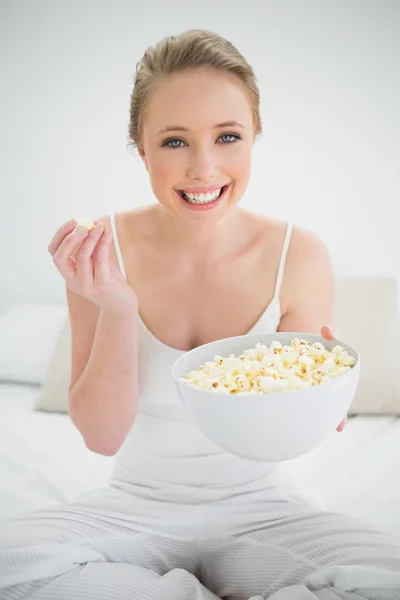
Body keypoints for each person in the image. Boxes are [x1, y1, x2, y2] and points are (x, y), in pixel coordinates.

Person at [1, 29, 399, 600]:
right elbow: (101, 437)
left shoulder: (299, 254)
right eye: (175, 142)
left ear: (254, 137)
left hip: (263, 513)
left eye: (228, 136)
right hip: (133, 509)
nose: (204, 168)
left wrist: (319, 401)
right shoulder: (99, 247)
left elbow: (291, 429)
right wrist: (117, 306)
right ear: (142, 149)